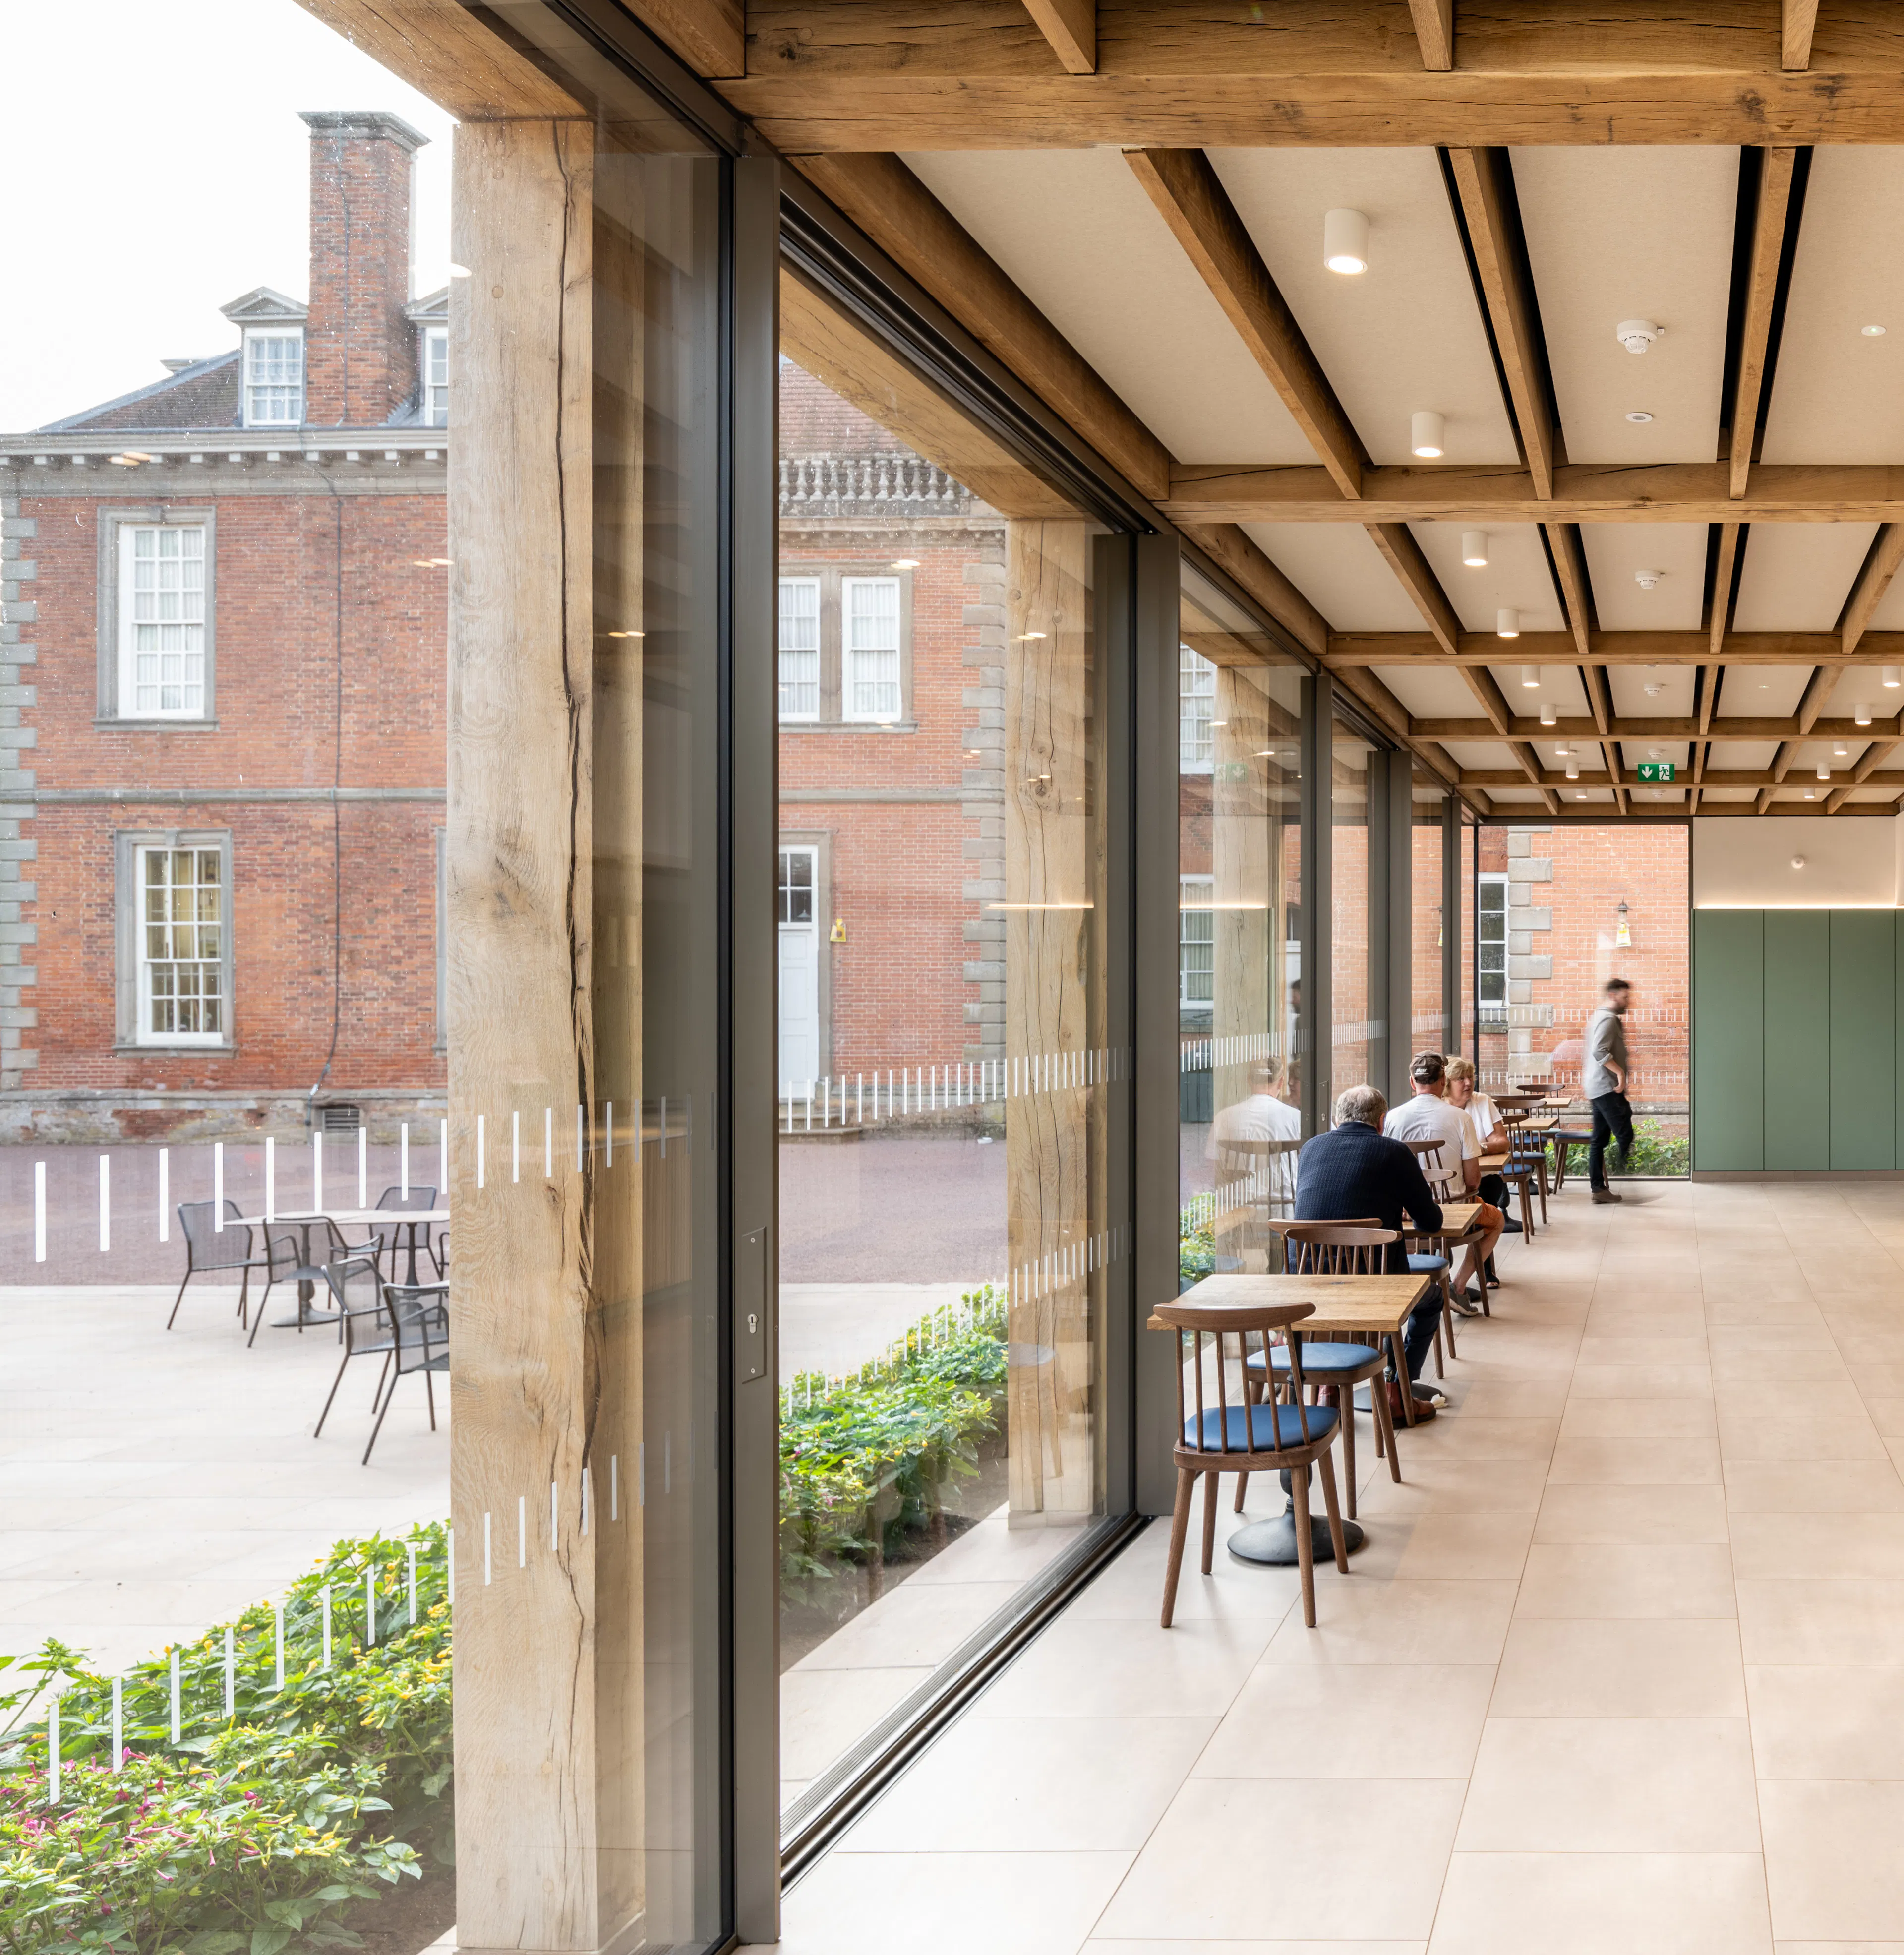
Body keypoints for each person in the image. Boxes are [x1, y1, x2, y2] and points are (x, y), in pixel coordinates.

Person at [1292, 1082, 1446, 1419]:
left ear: (1336, 1119)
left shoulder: (1311, 1148)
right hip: (1374, 1294)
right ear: (1382, 1121)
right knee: (1431, 1298)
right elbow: (1432, 1222)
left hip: (1307, 1293)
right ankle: (1395, 1390)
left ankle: (1329, 1387)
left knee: (1346, 1276)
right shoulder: (1394, 1152)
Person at [1383, 1051, 1505, 1312]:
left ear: (1412, 1083)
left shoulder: (1392, 1118)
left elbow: (1388, 1171)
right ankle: (1458, 1287)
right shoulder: (1461, 1119)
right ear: (1442, 1082)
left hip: (1406, 1214)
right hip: (1452, 1210)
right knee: (1496, 1220)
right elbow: (1473, 1182)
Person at [1446, 1055, 1520, 1243]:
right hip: (1445, 1182)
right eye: (1461, 1079)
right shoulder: (1438, 1107)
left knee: (1492, 1185)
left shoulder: (1483, 1101)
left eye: (1470, 1077)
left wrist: (1479, 1149)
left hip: (1481, 1178)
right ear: (1446, 1083)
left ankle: (1485, 1269)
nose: (1468, 1083)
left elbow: (1502, 1142)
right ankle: (1433, 1257)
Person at [1584, 978, 1635, 1204]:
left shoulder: (1599, 1016)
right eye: (1626, 997)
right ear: (1614, 996)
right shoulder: (1608, 1019)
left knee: (1598, 1139)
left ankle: (1598, 1190)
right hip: (1606, 1087)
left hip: (1597, 1087)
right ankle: (1625, 1170)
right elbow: (1598, 1050)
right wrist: (1621, 1074)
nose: (1629, 1002)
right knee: (1625, 1131)